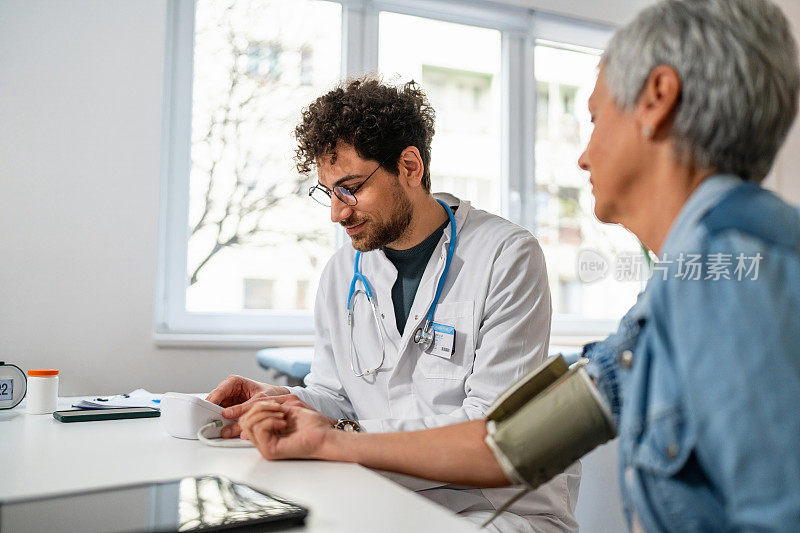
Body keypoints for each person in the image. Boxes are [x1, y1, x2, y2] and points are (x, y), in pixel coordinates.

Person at [234, 0, 800, 530]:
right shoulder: (680, 289)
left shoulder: (737, 271)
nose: (582, 154)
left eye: (596, 118)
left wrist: (335, 439)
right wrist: (322, 435)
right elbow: (510, 443)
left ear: (656, 99)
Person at [206, 78, 580, 531]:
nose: (337, 213)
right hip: (383, 494)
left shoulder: (506, 255)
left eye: (350, 188)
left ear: (409, 165)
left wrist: (340, 437)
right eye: (328, 193)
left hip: (495, 509)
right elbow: (336, 396)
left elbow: (492, 429)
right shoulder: (343, 272)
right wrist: (282, 400)